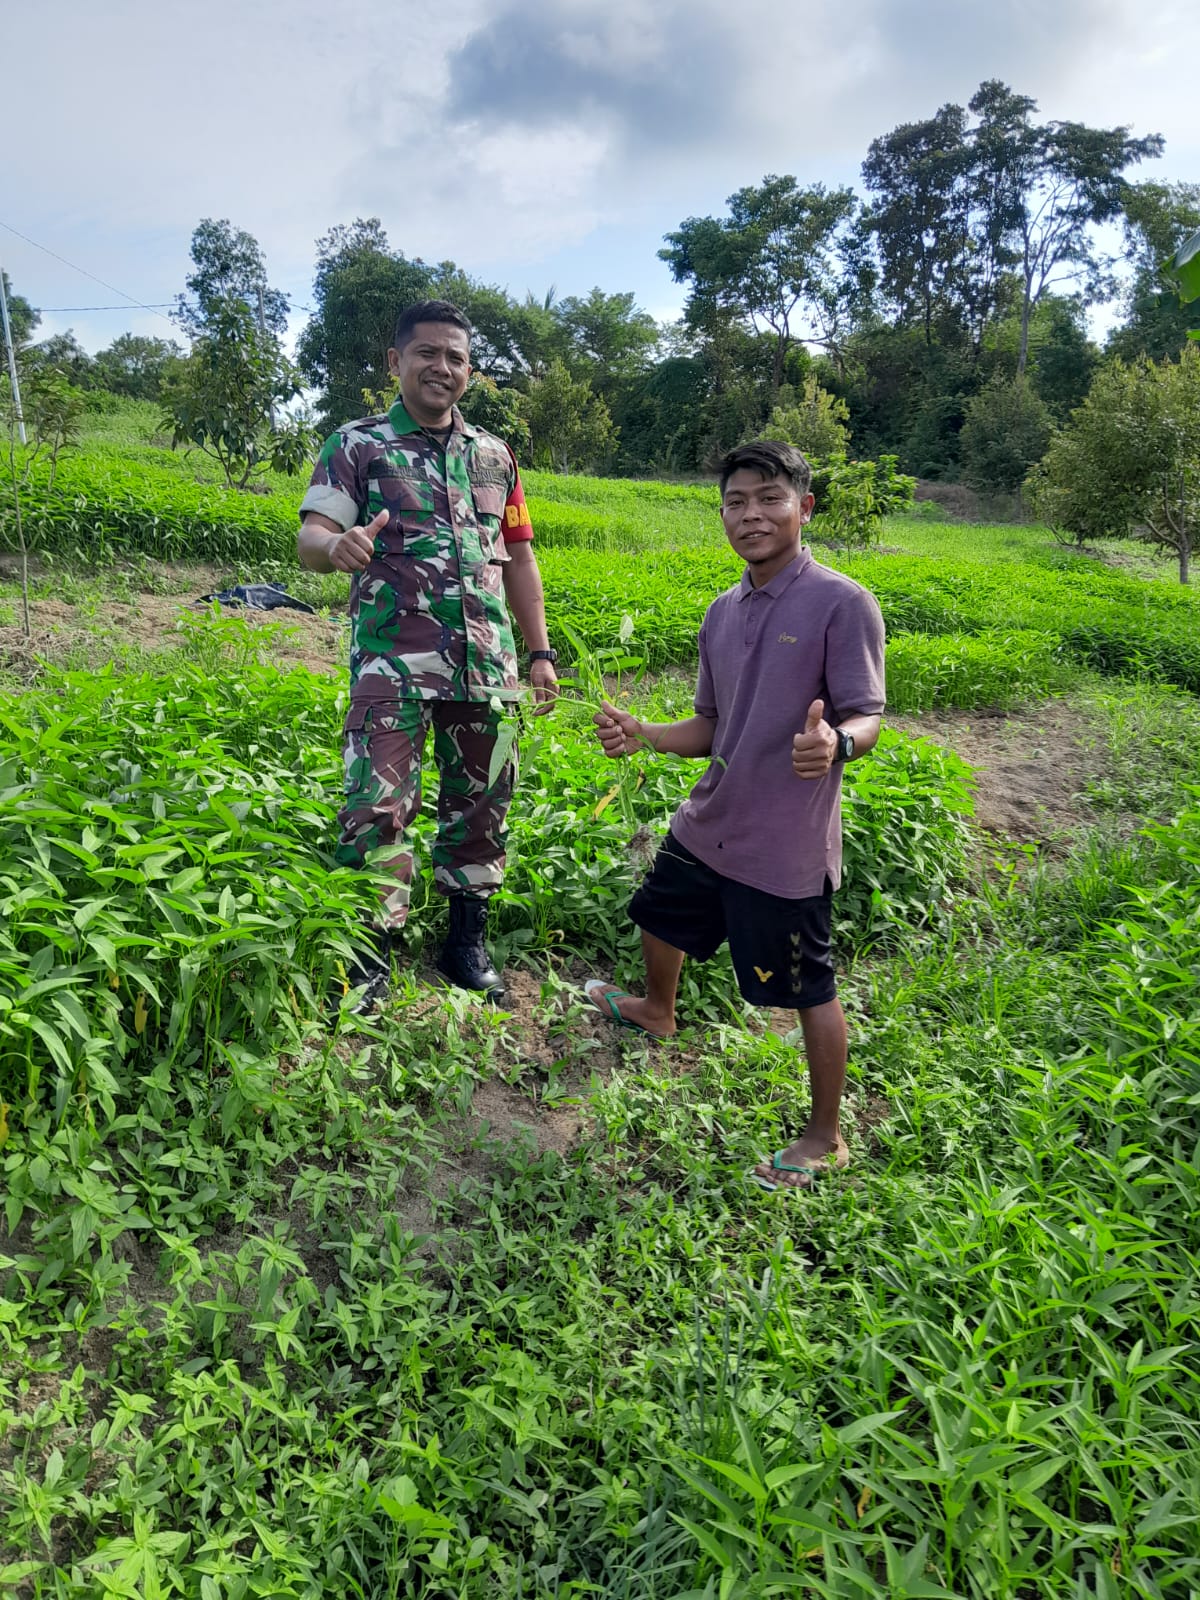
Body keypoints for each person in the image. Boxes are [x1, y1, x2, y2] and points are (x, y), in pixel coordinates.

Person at [587, 439, 884, 1190]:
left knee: (807, 986)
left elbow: (867, 717)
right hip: (708, 820)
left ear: (804, 508)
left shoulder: (842, 603)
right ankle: (658, 1010)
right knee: (660, 913)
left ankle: (825, 1136)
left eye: (769, 499)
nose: (750, 515)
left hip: (782, 844)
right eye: (735, 502)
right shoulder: (723, 612)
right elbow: (710, 726)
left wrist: (836, 743)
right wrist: (645, 735)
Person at [298, 299, 557, 1010]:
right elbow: (312, 536)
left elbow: (521, 560)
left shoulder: (495, 456)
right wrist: (336, 548)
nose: (442, 367)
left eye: (456, 357)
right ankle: (370, 957)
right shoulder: (357, 445)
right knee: (377, 808)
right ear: (396, 362)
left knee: (483, 807)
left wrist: (539, 653)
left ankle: (464, 945)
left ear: (469, 371)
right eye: (427, 353)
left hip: (487, 667)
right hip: (393, 669)